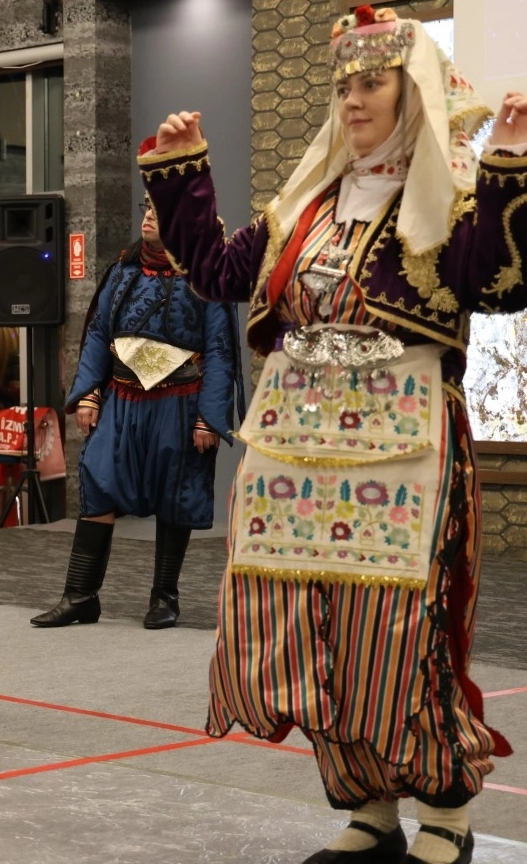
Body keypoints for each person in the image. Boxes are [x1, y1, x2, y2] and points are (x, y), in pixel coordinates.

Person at [141, 7, 520, 863]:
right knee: (315, 623)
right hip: (296, 454)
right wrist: (182, 170)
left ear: (411, 94)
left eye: (372, 83)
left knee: (400, 627)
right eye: (344, 85)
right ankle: (370, 807)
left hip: (404, 449)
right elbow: (219, 273)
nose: (353, 100)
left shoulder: (450, 201)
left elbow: (501, 281)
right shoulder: (306, 204)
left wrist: (507, 164)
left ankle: (446, 814)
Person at [30, 182, 240, 631]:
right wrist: (89, 392)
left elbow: (221, 350)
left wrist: (209, 417)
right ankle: (80, 596)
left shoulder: (206, 279)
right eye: (147, 207)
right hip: (121, 401)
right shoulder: (123, 270)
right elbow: (98, 333)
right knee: (98, 479)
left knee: (173, 493)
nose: (147, 216)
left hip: (179, 405)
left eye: (159, 210)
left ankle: (164, 598)